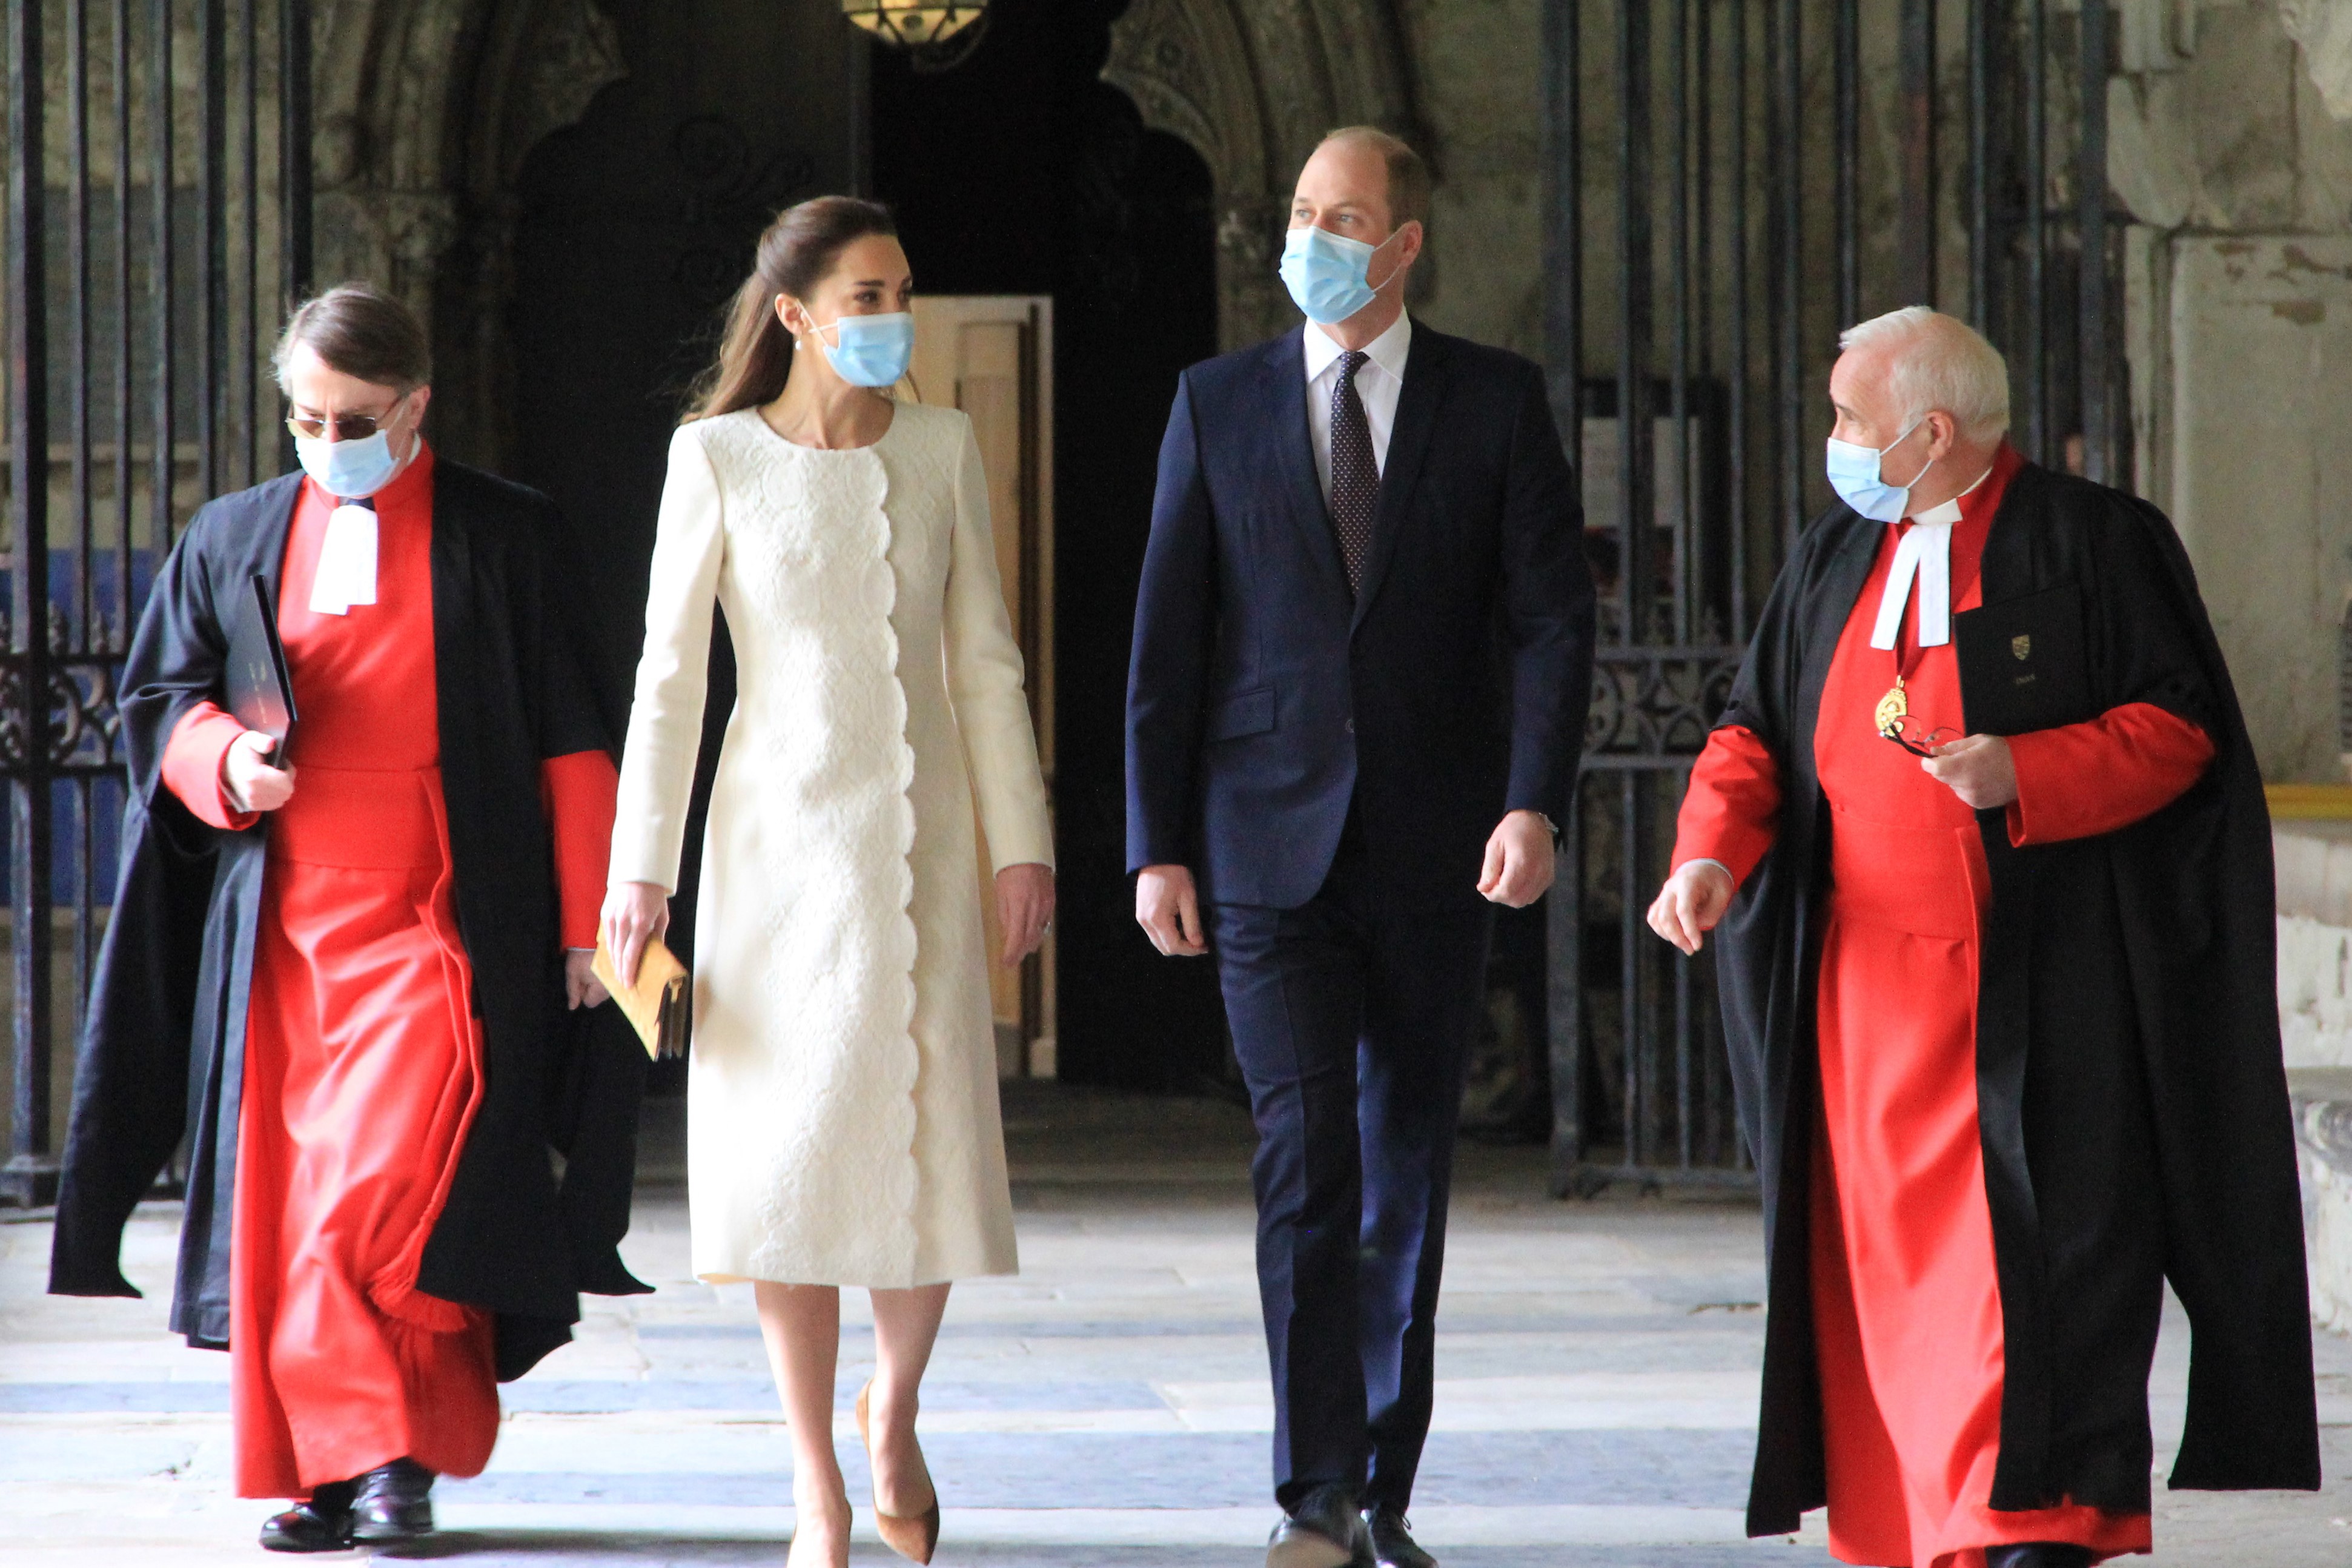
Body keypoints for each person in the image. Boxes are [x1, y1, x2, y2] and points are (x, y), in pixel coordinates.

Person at [1646, 306, 2319, 1568]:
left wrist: (2030, 767)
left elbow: (2183, 734)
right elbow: (1750, 732)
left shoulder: (2094, 542)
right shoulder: (1831, 552)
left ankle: (2033, 1524)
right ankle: (1921, 1521)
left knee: (2041, 1274)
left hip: (2037, 999)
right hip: (1862, 1015)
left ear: (1930, 430)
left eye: (1850, 419)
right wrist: (1705, 853)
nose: (1834, 443)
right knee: (1893, 1296)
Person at [47, 283, 645, 1550]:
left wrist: (588, 920)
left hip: (447, 908)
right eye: (305, 415)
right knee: (295, 1197)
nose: (327, 437)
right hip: (286, 924)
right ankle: (354, 1465)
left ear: (418, 404)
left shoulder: (509, 534)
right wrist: (226, 764)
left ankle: (376, 1449)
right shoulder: (234, 532)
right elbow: (162, 701)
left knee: (384, 1185)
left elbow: (577, 738)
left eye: (355, 415)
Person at [1125, 128, 1595, 1568]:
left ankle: (1385, 1479)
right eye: (1300, 211)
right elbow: (1166, 642)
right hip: (1261, 847)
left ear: (1402, 247)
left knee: (1403, 1163)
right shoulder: (1217, 402)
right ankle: (1310, 1486)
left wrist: (1532, 800)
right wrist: (1155, 845)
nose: (1314, 235)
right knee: (1302, 1159)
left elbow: (1549, 621)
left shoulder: (1495, 403)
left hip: (1436, 846)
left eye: (1345, 217)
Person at [601, 196, 1055, 1568]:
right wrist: (642, 874)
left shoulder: (943, 446)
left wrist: (1020, 840)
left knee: (922, 1156)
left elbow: (984, 655)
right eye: (865, 294)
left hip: (921, 849)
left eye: (901, 289)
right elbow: (670, 681)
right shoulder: (716, 458)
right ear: (794, 313)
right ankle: (815, 1487)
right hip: (770, 860)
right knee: (785, 1173)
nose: (891, 315)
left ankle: (894, 1407)